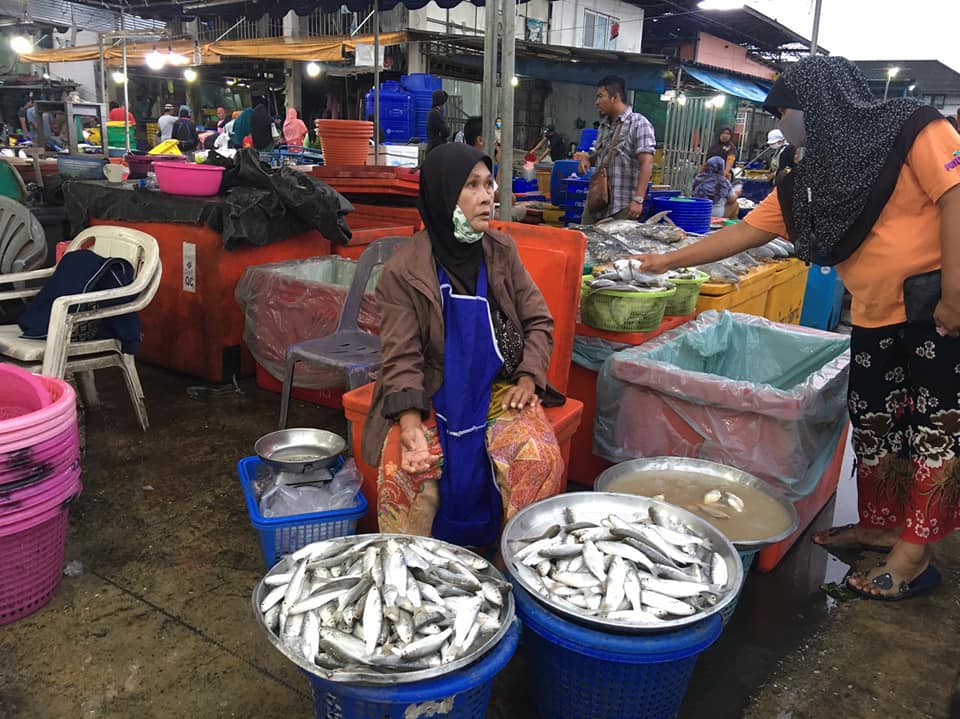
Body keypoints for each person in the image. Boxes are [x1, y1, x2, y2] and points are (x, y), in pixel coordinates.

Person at [635, 55, 960, 602]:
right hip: (875, 315)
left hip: (935, 311)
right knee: (878, 424)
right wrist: (664, 261)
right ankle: (880, 524)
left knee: (934, 434)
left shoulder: (914, 127)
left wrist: (955, 291)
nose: (780, 121)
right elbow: (745, 233)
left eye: (784, 109)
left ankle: (913, 555)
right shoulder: (808, 179)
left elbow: (956, 195)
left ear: (820, 104)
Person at [361, 142, 565, 545]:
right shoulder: (403, 273)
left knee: (538, 460)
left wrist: (528, 378)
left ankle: (514, 573)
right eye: (471, 186)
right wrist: (408, 425)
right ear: (442, 194)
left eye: (489, 184)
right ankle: (418, 584)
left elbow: (538, 320)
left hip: (497, 390)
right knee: (404, 478)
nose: (487, 196)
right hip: (431, 393)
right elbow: (401, 356)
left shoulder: (501, 251)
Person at [578, 75, 656, 224]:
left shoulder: (639, 123)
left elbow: (647, 163)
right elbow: (602, 154)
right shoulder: (604, 125)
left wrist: (638, 200)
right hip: (597, 202)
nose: (597, 102)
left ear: (615, 97)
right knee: (585, 241)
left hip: (622, 206)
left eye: (600, 96)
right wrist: (588, 159)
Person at [426, 89, 450, 154]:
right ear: (442, 102)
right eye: (445, 102)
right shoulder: (435, 113)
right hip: (435, 149)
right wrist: (447, 128)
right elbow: (446, 132)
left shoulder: (432, 112)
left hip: (433, 148)